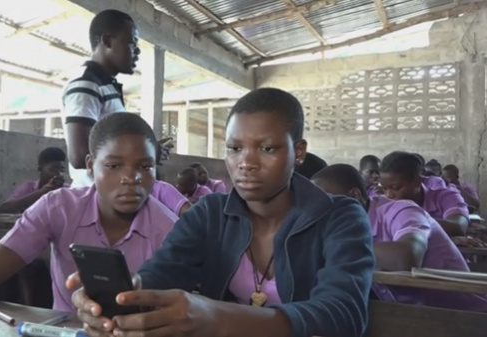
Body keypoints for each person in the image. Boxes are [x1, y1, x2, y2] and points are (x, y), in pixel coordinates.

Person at [68, 88, 374, 337]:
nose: (246, 162)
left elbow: (343, 312)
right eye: (234, 148)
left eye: (267, 148)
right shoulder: (211, 213)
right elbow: (161, 273)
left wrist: (218, 317)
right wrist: (124, 298)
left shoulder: (340, 217)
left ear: (300, 151)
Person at [0, 113, 179, 335]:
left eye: (145, 166)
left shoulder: (172, 229)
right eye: (114, 166)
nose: (132, 178)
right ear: (90, 165)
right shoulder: (60, 208)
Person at [311, 164, 487, 312]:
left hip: (464, 318)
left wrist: (335, 247)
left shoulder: (401, 210)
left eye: (327, 201)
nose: (319, 211)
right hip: (408, 317)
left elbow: (406, 256)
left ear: (355, 195)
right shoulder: (343, 226)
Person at [62, 9, 170, 187]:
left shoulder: (104, 85)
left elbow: (107, 143)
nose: (137, 52)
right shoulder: (86, 84)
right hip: (93, 197)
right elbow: (79, 155)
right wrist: (143, 153)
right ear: (107, 40)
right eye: (131, 43)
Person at [379, 151, 469, 237]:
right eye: (384, 188)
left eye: (395, 188)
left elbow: (458, 226)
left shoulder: (446, 197)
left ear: (417, 181)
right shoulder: (382, 204)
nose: (388, 194)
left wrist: (406, 220)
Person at [0, 147, 67, 214]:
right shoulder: (28, 187)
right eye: (53, 170)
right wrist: (41, 192)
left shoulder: (67, 190)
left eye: (62, 170)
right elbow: (4, 209)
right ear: (40, 169)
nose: (59, 174)